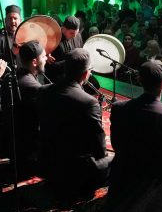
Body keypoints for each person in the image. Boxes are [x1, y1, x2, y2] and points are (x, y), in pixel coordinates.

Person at [38, 48, 112, 203]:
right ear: (85, 74)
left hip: (49, 162)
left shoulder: (44, 90)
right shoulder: (89, 102)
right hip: (76, 171)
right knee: (118, 159)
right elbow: (99, 148)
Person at [109, 60, 162, 198]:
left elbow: (116, 144)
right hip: (152, 184)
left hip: (122, 175)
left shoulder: (119, 108)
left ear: (139, 81)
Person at [14, 40, 49, 175]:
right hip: (28, 149)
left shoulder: (14, 75)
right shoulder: (33, 87)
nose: (46, 59)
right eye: (44, 57)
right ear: (34, 62)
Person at [45, 16, 83, 83]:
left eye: (76, 33)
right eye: (72, 33)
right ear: (63, 29)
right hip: (56, 77)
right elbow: (50, 65)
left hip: (73, 76)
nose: (74, 36)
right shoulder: (53, 38)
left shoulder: (78, 36)